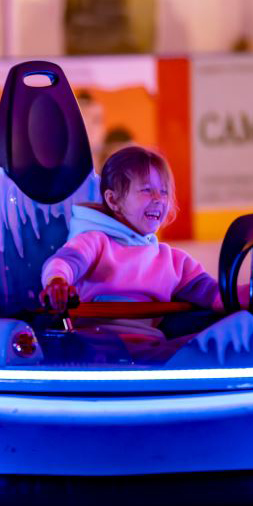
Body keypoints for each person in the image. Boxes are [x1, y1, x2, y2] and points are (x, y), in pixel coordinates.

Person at [39, 146, 220, 362]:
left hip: (148, 347)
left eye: (163, 191)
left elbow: (216, 295)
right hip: (97, 345)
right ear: (113, 200)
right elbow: (63, 263)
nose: (158, 199)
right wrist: (57, 282)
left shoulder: (174, 260)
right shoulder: (95, 242)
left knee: (222, 339)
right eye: (146, 190)